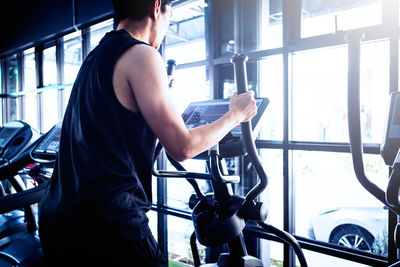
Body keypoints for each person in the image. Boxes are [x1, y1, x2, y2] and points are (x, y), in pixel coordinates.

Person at [38, 0, 257, 266]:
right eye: (170, 15)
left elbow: (116, 129)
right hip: (107, 224)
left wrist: (157, 93)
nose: (166, 26)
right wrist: (235, 114)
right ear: (157, 7)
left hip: (59, 219)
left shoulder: (98, 55)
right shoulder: (142, 54)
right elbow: (183, 147)